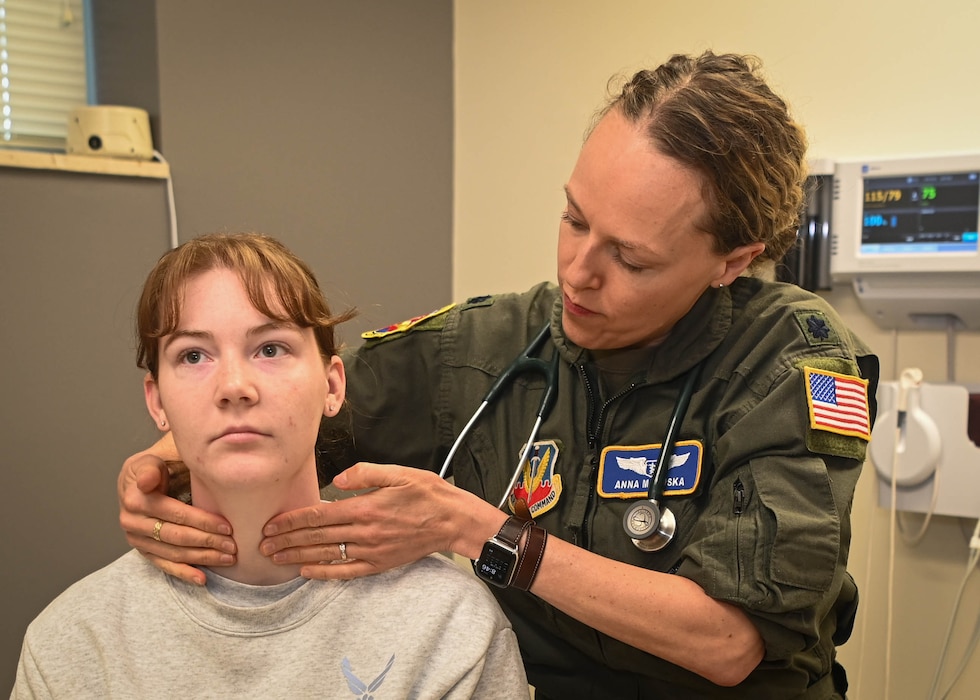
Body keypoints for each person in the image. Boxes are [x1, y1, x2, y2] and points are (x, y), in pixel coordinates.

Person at [117, 52, 879, 699]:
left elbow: (729, 642)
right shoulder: (489, 345)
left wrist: (482, 531)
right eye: (576, 219)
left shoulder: (792, 362)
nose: (579, 273)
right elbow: (289, 394)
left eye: (631, 258)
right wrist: (160, 469)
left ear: (732, 261)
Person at [14, 233, 529, 699]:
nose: (235, 386)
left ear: (332, 385)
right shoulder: (73, 644)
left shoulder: (448, 629)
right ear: (157, 402)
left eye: (270, 348)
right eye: (194, 356)